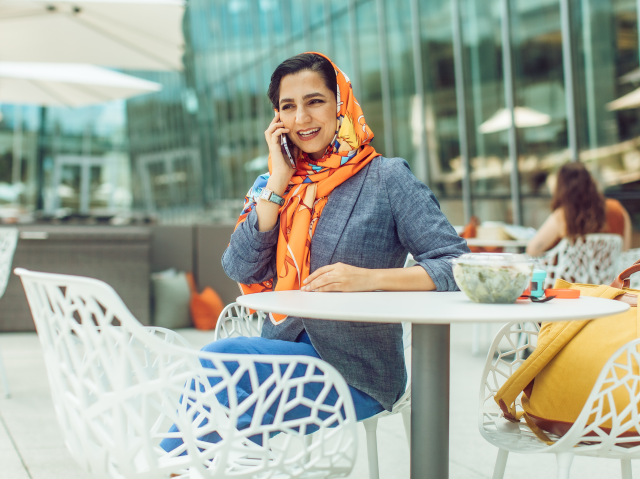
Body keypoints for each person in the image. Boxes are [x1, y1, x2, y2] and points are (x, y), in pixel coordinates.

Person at [161, 52, 468, 454]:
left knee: (224, 361)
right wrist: (277, 182)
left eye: (315, 101)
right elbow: (239, 266)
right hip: (281, 356)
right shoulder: (273, 183)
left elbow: (456, 264)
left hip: (357, 373)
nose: (302, 118)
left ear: (340, 102)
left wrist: (371, 280)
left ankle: (165, 465)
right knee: (229, 400)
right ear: (276, 120)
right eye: (288, 107)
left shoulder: (385, 177)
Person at [526, 162, 632, 257]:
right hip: (611, 278)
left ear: (562, 188)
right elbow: (625, 251)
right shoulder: (618, 209)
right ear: (591, 182)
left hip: (569, 279)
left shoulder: (563, 215)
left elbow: (532, 250)